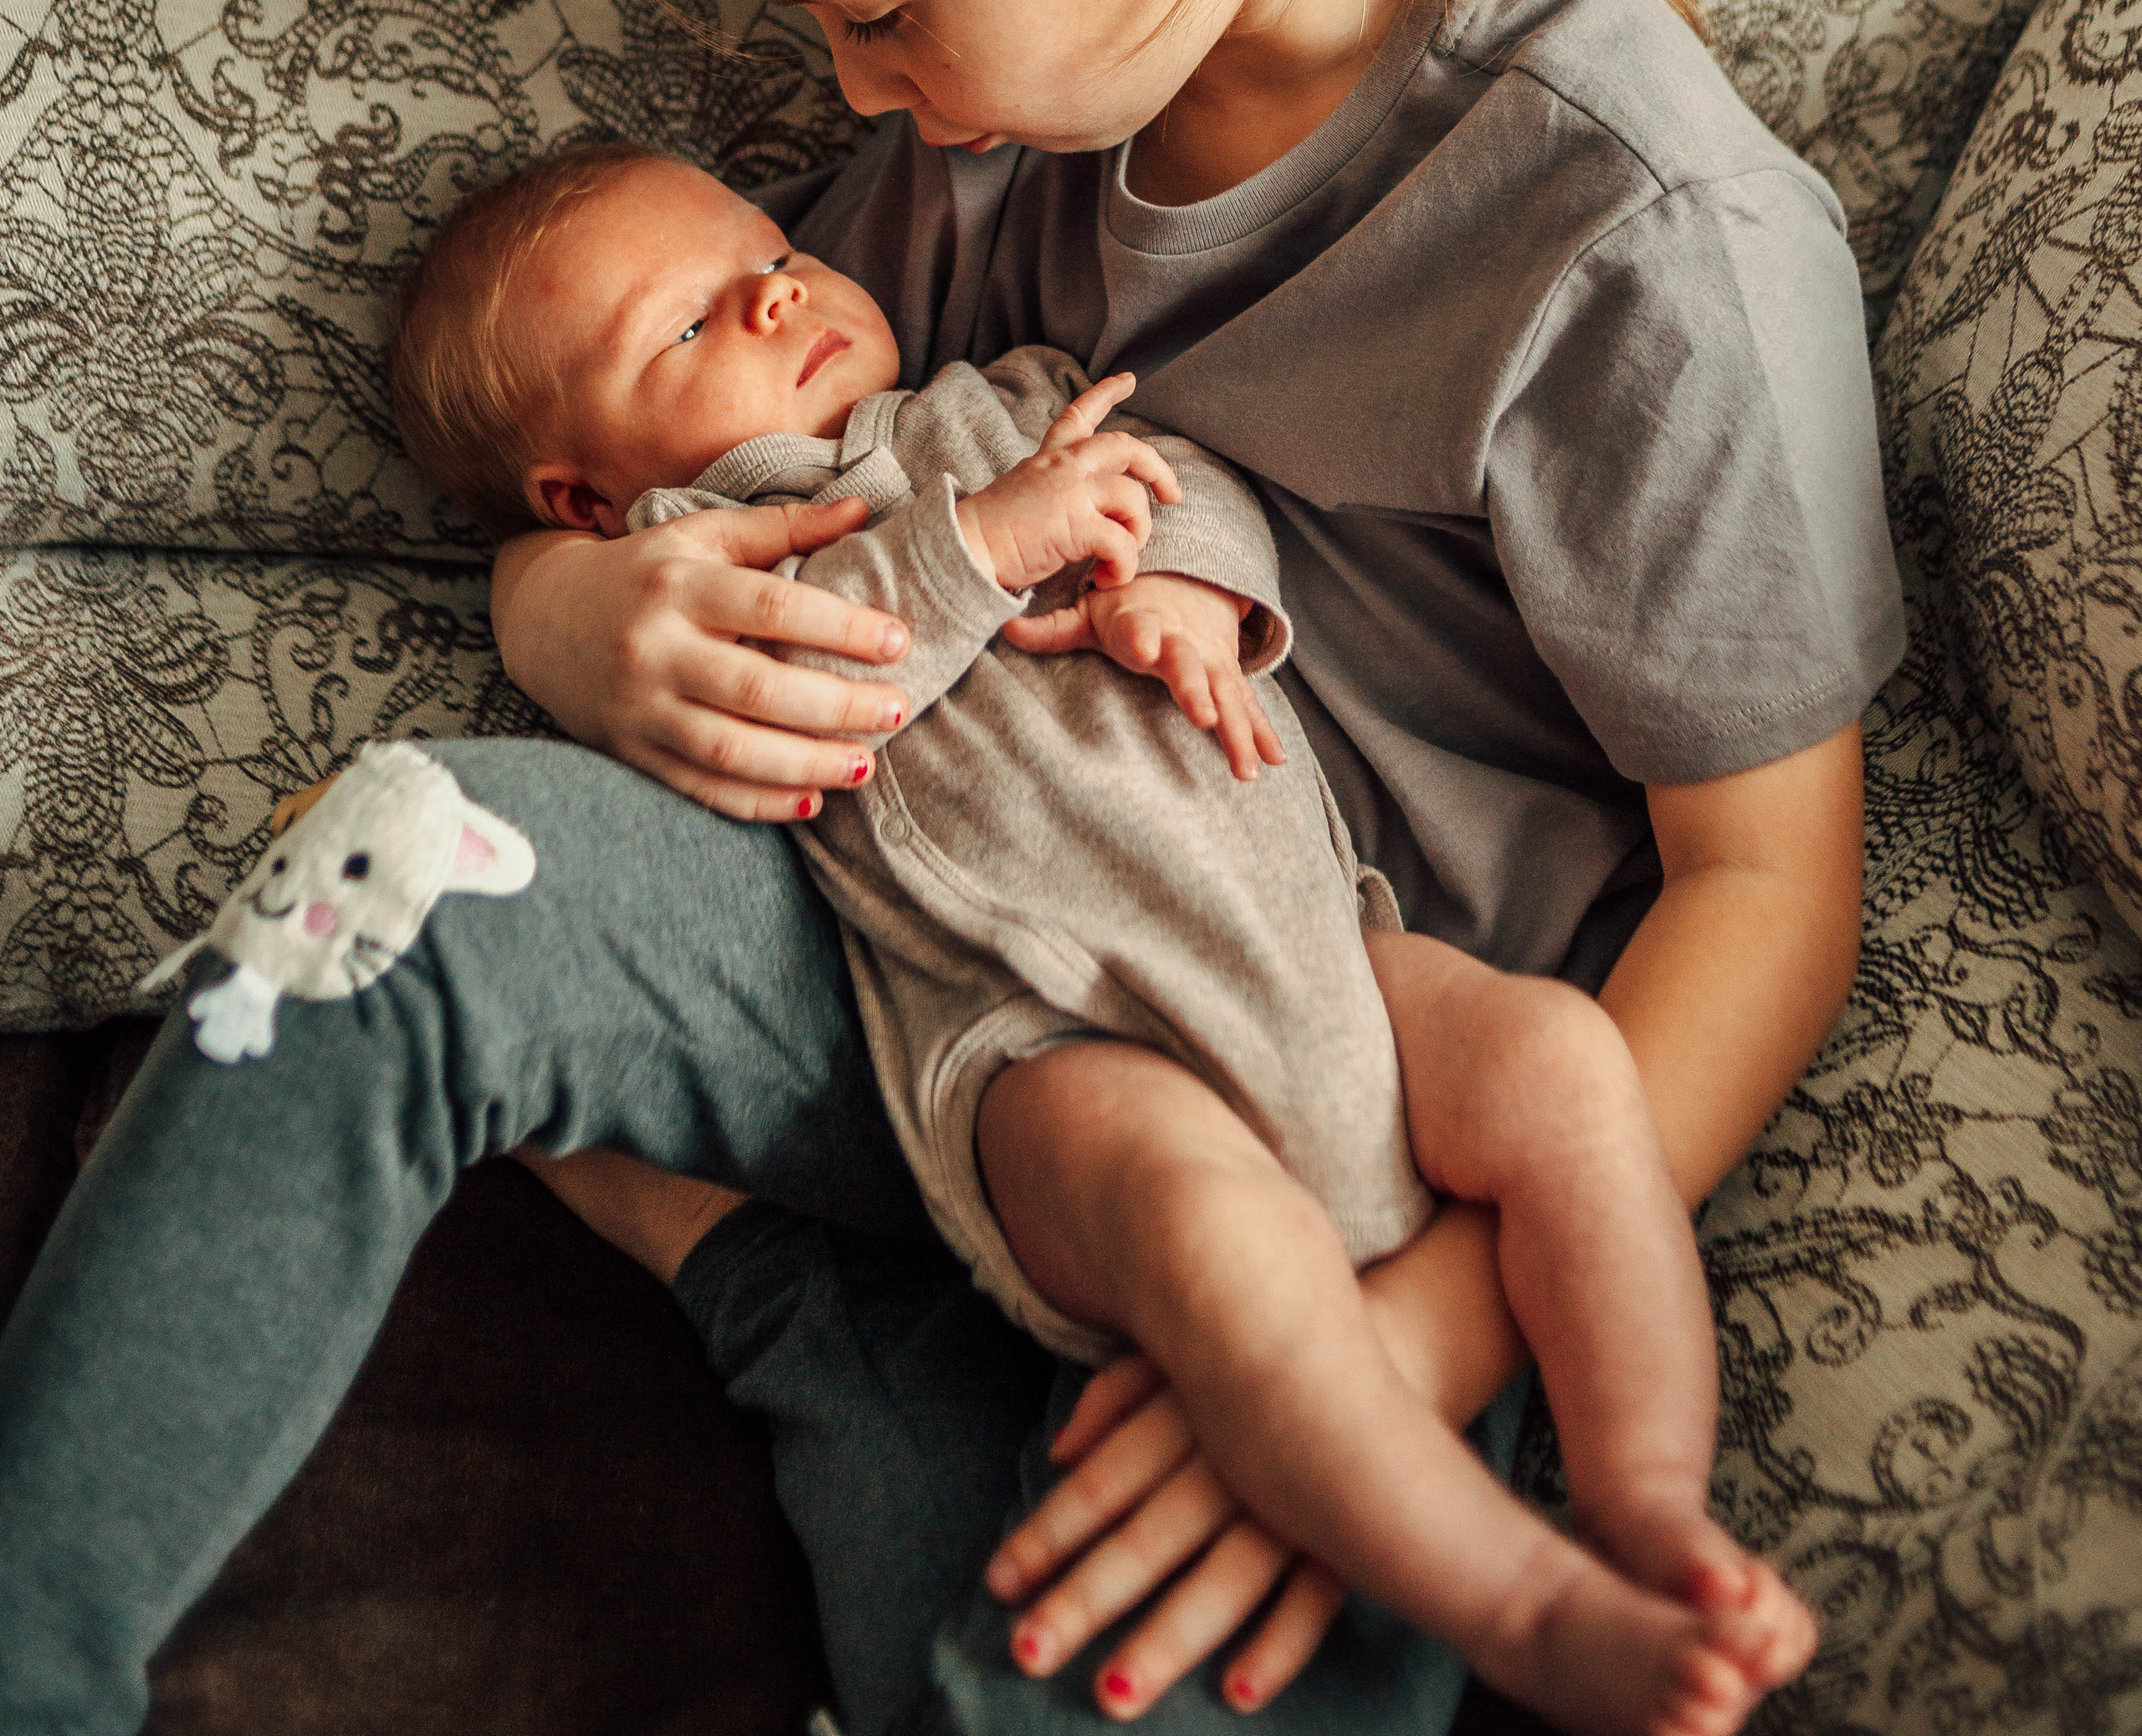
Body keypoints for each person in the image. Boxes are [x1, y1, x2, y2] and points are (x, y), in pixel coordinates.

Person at [0, 0, 1895, 1736]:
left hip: (1335, 1064)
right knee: (411, 853)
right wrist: (570, 609)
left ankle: (873, 1332)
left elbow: (1770, 889)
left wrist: (1392, 1348)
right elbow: (718, 451)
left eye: (874, 9)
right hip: (922, 950)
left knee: (1125, 1642)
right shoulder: (1010, 105)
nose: (847, 90)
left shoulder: (1634, 233)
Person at [383, 142, 1817, 1733]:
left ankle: (1646, 1504)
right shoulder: (721, 570)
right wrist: (983, 543)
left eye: (766, 252)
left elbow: (1179, 482)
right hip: (1041, 1045)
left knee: (1564, 1066)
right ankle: (1521, 1601)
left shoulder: (1007, 395)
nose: (778, 290)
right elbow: (832, 678)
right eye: (691, 327)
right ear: (587, 497)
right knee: (1217, 1245)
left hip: (1332, 951)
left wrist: (1189, 591)